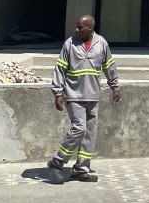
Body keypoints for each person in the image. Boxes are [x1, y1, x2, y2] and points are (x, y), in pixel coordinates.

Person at [47, 13, 120, 183]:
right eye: (76, 26)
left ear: (90, 28)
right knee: (79, 129)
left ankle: (81, 169)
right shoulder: (70, 44)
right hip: (74, 95)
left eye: (80, 27)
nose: (76, 29)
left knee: (90, 134)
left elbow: (109, 65)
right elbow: (60, 68)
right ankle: (56, 162)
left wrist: (114, 86)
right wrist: (58, 93)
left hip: (93, 96)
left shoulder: (101, 43)